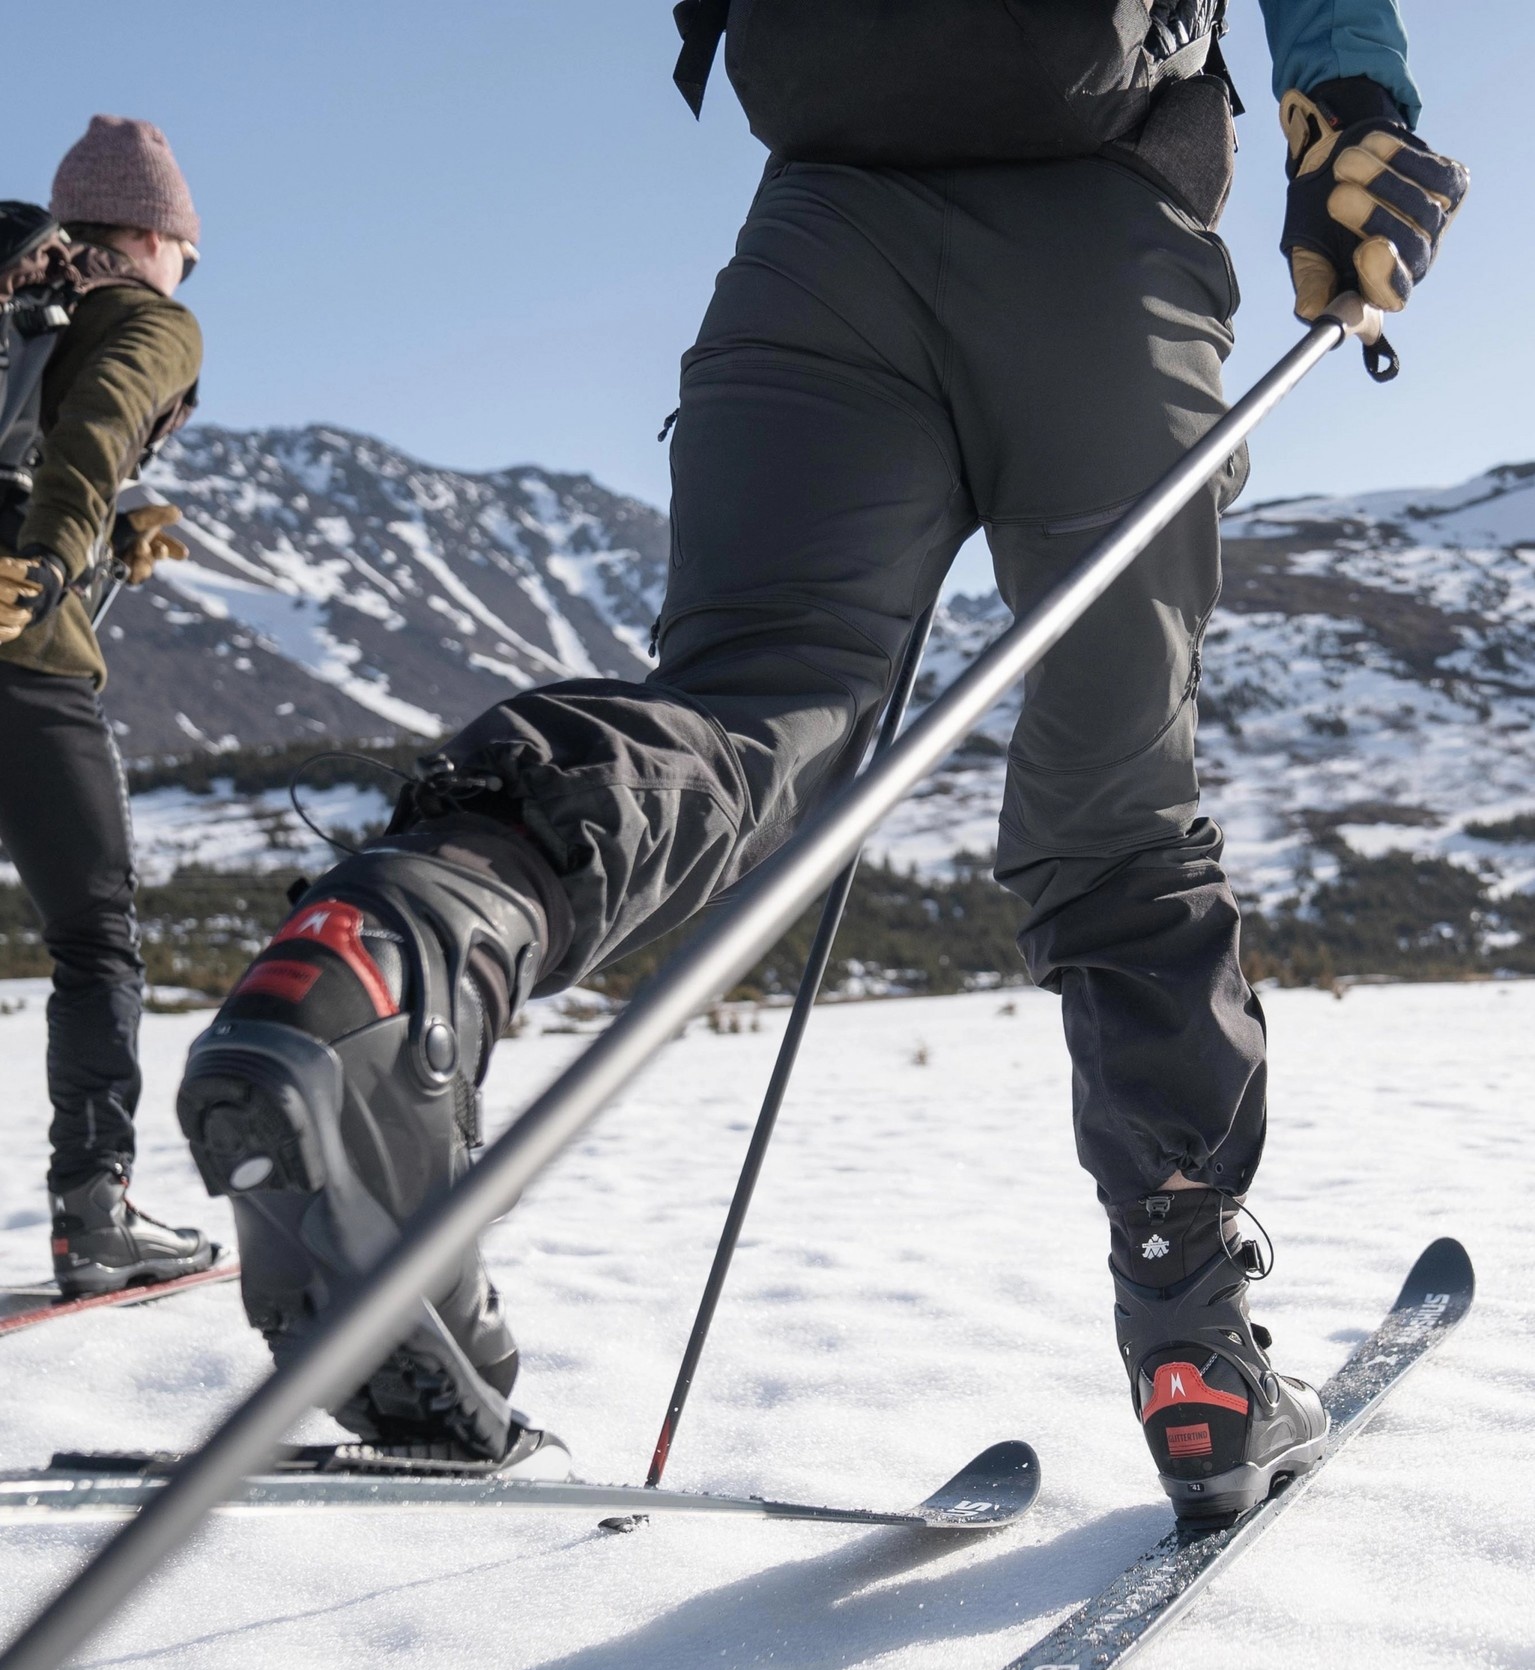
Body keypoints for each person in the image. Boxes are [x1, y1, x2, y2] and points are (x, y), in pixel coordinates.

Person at [177, 3, 1466, 1516]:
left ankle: (392, 951)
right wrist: (1354, 104)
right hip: (1099, 242)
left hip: (818, 233)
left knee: (745, 718)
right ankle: (1195, 1355)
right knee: (1115, 806)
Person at [0, 116, 214, 1296]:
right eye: (187, 242)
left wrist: (107, 538)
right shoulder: (150, 316)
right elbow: (91, 436)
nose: (189, 264)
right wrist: (50, 560)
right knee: (95, 939)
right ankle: (96, 1213)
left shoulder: (27, 311)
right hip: (21, 651)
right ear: (148, 230)